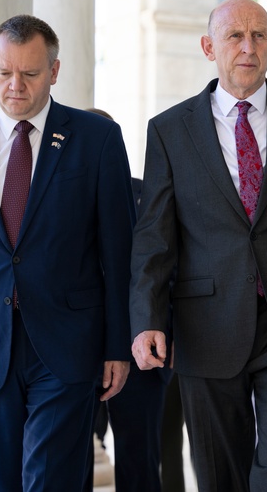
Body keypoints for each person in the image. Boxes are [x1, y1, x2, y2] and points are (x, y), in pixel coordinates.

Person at [0, 14, 136, 490]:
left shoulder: (96, 141)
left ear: (54, 72)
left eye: (30, 74)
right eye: (4, 72)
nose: (15, 85)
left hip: (68, 346)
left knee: (48, 478)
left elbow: (119, 254)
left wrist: (119, 345)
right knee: (3, 482)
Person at [129, 0, 267, 491]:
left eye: (259, 36)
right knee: (220, 472)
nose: (248, 47)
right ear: (209, 47)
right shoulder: (169, 130)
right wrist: (147, 321)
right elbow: (154, 235)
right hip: (206, 325)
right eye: (234, 36)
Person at [83, 107, 169, 492]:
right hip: (76, 349)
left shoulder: (146, 195)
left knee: (139, 457)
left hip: (139, 355)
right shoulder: (55, 194)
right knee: (73, 455)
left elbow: (166, 268)